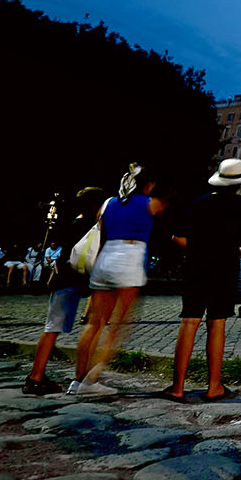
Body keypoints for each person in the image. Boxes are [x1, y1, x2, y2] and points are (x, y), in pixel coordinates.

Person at [163, 158, 241, 402]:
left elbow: (178, 238)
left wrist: (199, 244)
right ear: (240, 183)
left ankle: (177, 387)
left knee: (189, 322)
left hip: (196, 266)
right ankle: (214, 387)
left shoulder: (199, 204)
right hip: (224, 268)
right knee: (216, 325)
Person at [72, 163, 166, 395]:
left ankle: (78, 379)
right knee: (118, 328)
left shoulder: (108, 203)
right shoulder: (151, 203)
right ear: (148, 184)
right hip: (129, 259)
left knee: (95, 324)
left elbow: (101, 231)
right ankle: (92, 379)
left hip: (105, 258)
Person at [23, 188, 103, 394]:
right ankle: (73, 378)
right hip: (79, 281)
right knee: (75, 328)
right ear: (96, 205)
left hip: (64, 279)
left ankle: (36, 376)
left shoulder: (72, 224)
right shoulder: (94, 227)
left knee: (52, 329)